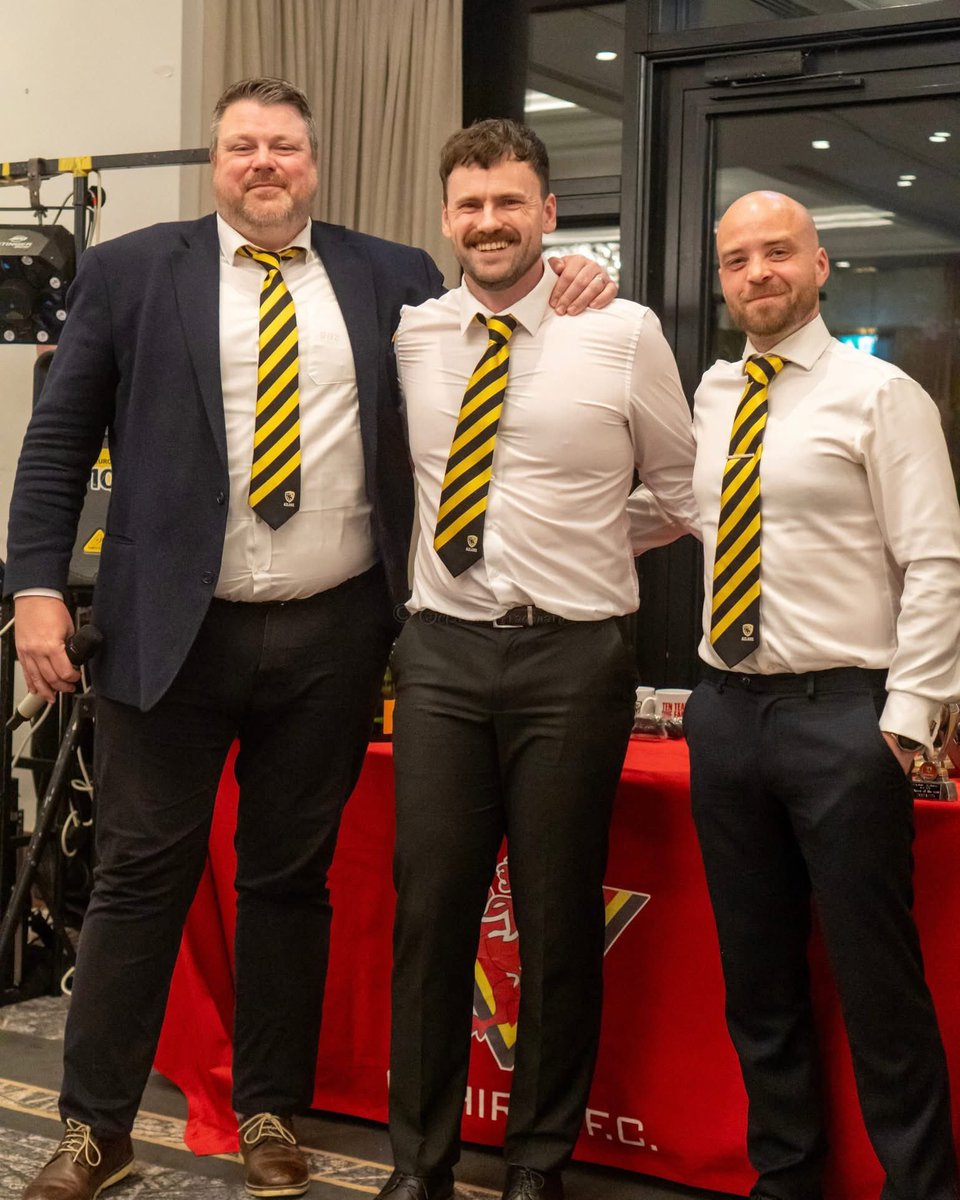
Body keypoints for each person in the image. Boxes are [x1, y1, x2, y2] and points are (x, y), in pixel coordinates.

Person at [4, 79, 613, 1200]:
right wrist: (36, 587)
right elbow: (55, 446)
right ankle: (97, 1131)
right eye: (243, 145)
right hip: (167, 634)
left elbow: (504, 338)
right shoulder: (134, 272)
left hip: (337, 632)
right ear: (218, 162)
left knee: (291, 878)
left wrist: (580, 276)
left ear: (314, 163)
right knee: (141, 877)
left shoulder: (394, 277)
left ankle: (270, 1110)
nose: (264, 163)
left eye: (284, 145)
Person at [377, 119, 698, 1200]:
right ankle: (416, 1166)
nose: (490, 222)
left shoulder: (624, 333)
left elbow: (683, 488)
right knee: (430, 919)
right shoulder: (414, 334)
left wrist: (603, 537)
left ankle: (537, 1164)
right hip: (439, 660)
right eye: (470, 204)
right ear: (445, 218)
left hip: (572, 660)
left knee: (559, 921)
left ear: (550, 212)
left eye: (511, 202)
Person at [683, 189, 960, 1200]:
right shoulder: (712, 396)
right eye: (739, 260)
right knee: (757, 984)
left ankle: (921, 1187)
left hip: (845, 718)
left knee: (879, 988)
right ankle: (787, 1177)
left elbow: (936, 562)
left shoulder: (881, 395)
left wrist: (904, 719)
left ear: (820, 263)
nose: (759, 273)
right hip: (726, 714)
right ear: (723, 280)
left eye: (779, 253)